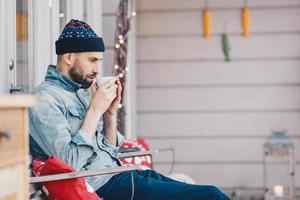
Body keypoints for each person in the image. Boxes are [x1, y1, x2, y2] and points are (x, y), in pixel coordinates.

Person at [29, 19, 230, 200]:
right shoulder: (45, 100)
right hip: (104, 186)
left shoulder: (81, 92)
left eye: (99, 61)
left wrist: (109, 113)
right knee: (210, 196)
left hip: (121, 175)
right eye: (92, 60)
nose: (98, 69)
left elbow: (107, 150)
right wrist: (94, 111)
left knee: (206, 191)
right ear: (69, 57)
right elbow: (69, 165)